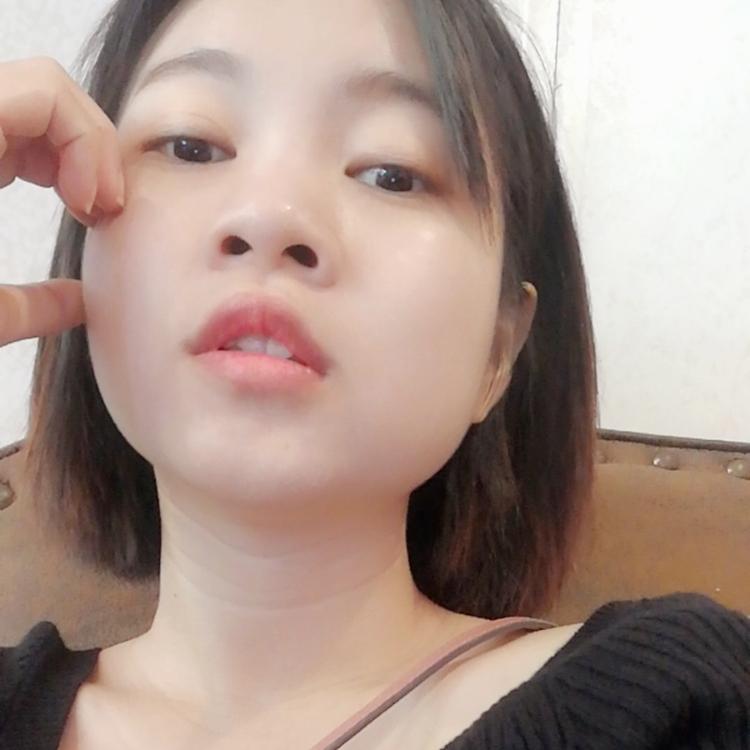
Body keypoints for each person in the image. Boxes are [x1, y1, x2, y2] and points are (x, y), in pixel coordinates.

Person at [0, 0, 748, 748]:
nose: (271, 215)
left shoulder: (682, 707)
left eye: (393, 173)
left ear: (500, 349)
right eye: (190, 146)